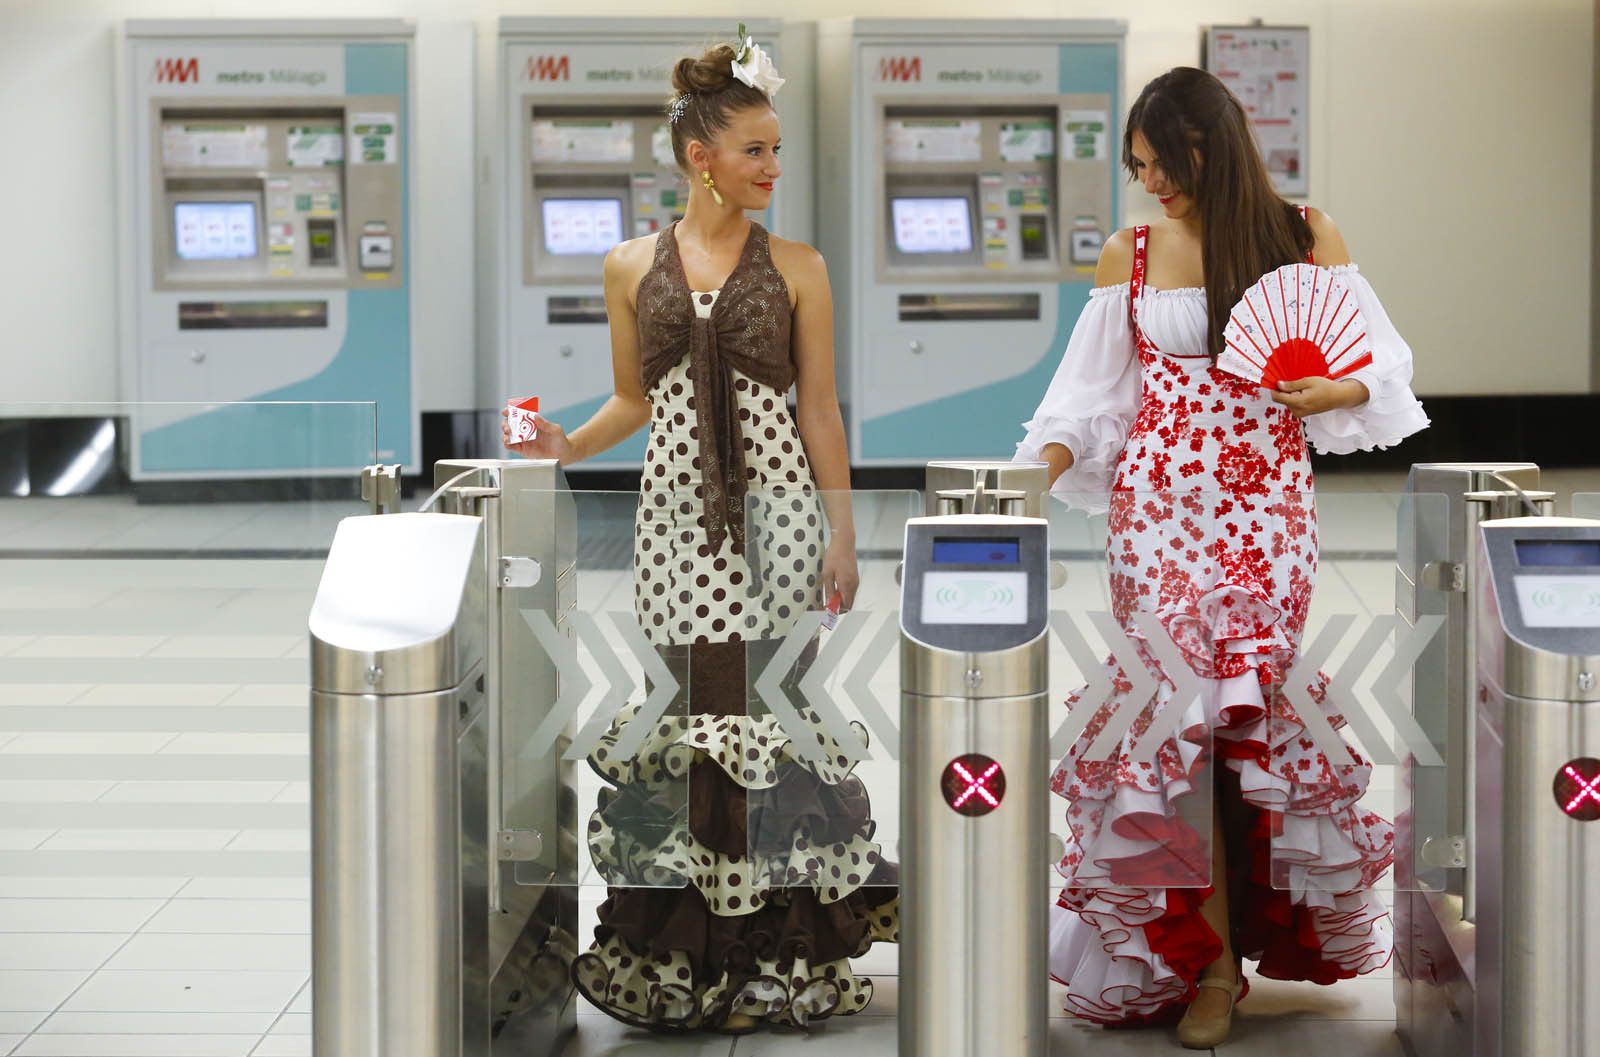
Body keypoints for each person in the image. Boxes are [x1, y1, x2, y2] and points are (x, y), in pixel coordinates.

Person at [1016, 67, 1428, 1049]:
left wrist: (1330, 393)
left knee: (1237, 731)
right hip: (1154, 514)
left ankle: (1222, 955)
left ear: (1213, 145)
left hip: (1263, 520)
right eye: (1136, 166)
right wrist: (1037, 471)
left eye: (1163, 162)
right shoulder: (1134, 249)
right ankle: (1203, 961)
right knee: (1169, 737)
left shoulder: (1301, 233)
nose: (1150, 183)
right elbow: (1092, 398)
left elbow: (1381, 365)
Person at [503, 33, 896, 1035]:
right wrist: (563, 445)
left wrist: (841, 535)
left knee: (774, 717)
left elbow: (821, 412)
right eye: (756, 150)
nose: (773, 167)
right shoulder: (628, 265)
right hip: (675, 532)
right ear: (700, 160)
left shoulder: (799, 268)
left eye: (775, 150)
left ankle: (775, 954)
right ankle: (691, 958)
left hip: (778, 528)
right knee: (690, 717)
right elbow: (634, 399)